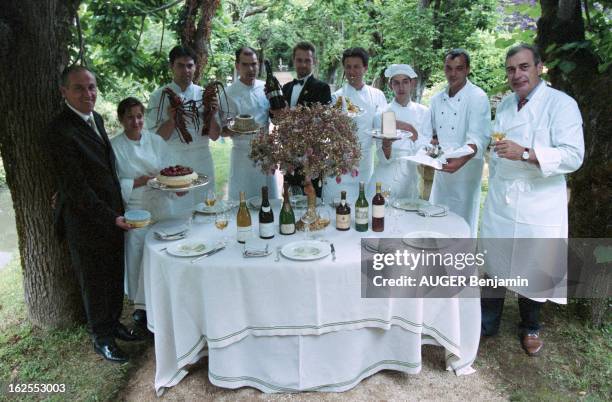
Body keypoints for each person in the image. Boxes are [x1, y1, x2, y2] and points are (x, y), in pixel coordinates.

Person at [480, 44, 584, 355]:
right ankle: (487, 321)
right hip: (503, 197)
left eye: (523, 67)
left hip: (538, 200)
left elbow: (574, 155)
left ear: (539, 67)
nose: (517, 74)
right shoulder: (508, 106)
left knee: (534, 263)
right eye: (511, 69)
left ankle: (531, 326)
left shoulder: (561, 104)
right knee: (495, 259)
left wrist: (526, 153)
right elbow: (498, 146)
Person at [46, 66, 138, 363]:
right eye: (79, 88)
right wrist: (109, 217)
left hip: (111, 213)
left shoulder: (95, 119)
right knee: (95, 281)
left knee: (113, 274)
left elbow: (106, 169)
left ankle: (114, 324)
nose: (88, 94)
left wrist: (117, 211)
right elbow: (77, 188)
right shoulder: (60, 131)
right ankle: (102, 338)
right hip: (85, 221)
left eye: (92, 87)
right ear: (64, 92)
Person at [111, 97, 174, 328]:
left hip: (161, 203)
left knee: (166, 247)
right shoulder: (115, 147)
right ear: (121, 120)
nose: (136, 121)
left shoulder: (156, 141)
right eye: (130, 117)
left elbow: (169, 170)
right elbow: (112, 183)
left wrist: (175, 188)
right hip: (136, 207)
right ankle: (141, 305)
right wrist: (137, 182)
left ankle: (166, 295)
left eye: (139, 116)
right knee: (138, 251)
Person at [145, 45, 219, 213]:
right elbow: (155, 140)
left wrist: (212, 115)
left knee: (206, 208)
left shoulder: (204, 94)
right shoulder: (159, 96)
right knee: (177, 211)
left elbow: (215, 136)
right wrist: (171, 120)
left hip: (203, 158)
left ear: (195, 67)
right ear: (171, 67)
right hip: (174, 161)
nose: (186, 70)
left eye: (190, 65)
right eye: (180, 65)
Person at [428, 49, 491, 238]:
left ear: (468, 70)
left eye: (459, 69)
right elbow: (434, 135)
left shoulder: (477, 97)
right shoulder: (436, 99)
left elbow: (479, 138)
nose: (453, 74)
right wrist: (432, 146)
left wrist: (460, 160)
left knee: (461, 224)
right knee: (437, 220)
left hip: (466, 172)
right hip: (442, 169)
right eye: (449, 68)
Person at [324, 47, 387, 201]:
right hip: (339, 167)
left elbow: (383, 129)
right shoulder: (335, 98)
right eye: (348, 67)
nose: (352, 71)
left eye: (357, 66)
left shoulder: (377, 96)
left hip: (365, 166)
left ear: (365, 68)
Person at [218, 46, 278, 200]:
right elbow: (222, 131)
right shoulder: (227, 94)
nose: (251, 69)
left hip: (265, 153)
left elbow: (276, 118)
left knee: (268, 201)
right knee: (241, 201)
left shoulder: (266, 87)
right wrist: (237, 128)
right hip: (242, 155)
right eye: (245, 64)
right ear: (237, 66)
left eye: (254, 64)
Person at [368, 64, 433, 199]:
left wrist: (411, 130)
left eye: (405, 82)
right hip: (386, 176)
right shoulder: (381, 114)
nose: (401, 87)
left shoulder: (424, 112)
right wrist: (386, 144)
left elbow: (425, 148)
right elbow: (382, 157)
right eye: (396, 83)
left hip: (411, 175)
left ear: (412, 83)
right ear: (390, 85)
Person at [281, 41, 332, 197]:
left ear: (314, 62)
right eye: (299, 60)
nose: (303, 64)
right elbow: (278, 120)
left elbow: (323, 123)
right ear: (294, 61)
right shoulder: (286, 88)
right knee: (290, 199)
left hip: (311, 157)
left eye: (307, 60)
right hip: (289, 154)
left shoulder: (322, 88)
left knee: (312, 201)